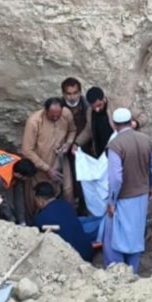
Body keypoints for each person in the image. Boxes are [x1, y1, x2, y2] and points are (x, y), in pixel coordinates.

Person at [103, 108, 152, 274]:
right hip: (141, 197)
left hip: (122, 198)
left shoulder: (115, 145)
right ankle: (133, 272)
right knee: (135, 236)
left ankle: (116, 273)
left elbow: (116, 178)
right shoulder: (146, 140)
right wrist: (151, 186)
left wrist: (112, 201)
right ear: (130, 122)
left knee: (114, 237)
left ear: (114, 125)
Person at [21, 97, 77, 221]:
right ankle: (36, 223)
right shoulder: (34, 122)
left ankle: (69, 220)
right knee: (39, 198)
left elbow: (72, 130)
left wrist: (68, 143)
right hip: (40, 165)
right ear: (45, 110)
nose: (56, 118)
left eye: (58, 115)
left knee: (67, 191)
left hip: (60, 160)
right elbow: (27, 150)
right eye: (52, 115)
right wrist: (47, 169)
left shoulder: (66, 114)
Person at [74, 86, 148, 158]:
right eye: (94, 107)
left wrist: (136, 123)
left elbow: (143, 116)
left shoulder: (119, 103)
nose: (97, 109)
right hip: (102, 154)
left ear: (104, 98)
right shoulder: (90, 112)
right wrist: (77, 143)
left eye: (99, 105)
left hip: (122, 150)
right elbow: (88, 130)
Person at [32, 181, 95, 262]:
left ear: (40, 200)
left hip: (71, 260)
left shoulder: (40, 218)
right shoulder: (67, 205)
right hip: (87, 253)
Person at [61, 77, 91, 215]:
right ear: (63, 94)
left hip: (85, 149)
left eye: (75, 93)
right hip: (64, 150)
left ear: (79, 92)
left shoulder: (88, 107)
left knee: (85, 180)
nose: (72, 97)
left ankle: (84, 208)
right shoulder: (58, 107)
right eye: (69, 93)